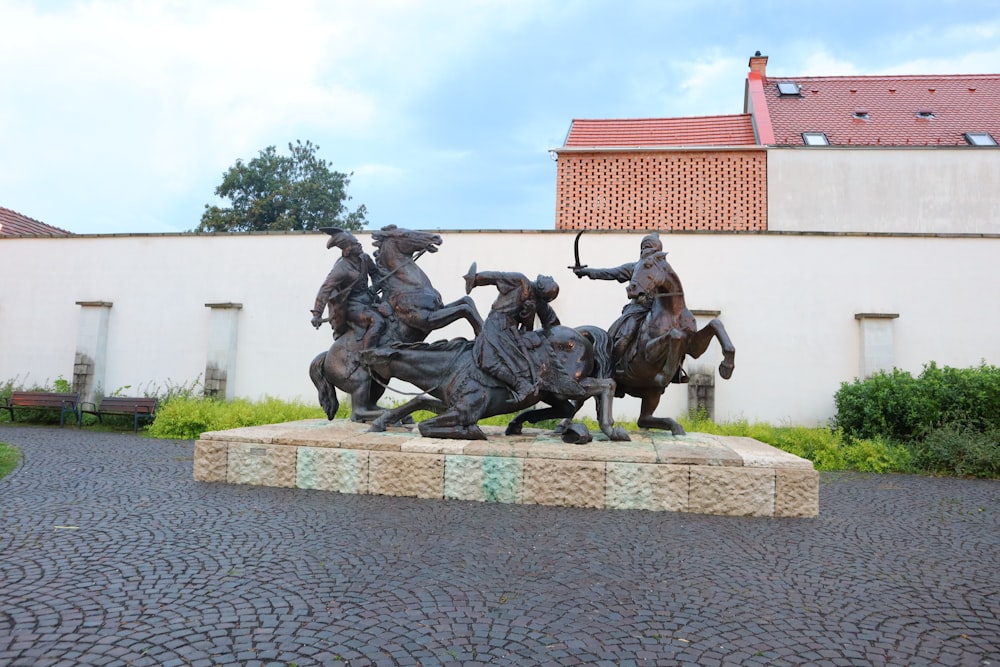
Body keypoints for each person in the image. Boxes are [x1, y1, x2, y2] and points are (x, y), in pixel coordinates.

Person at [464, 265, 560, 403]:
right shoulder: (535, 297)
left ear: (540, 286)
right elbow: (553, 324)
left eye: (548, 280)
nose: (548, 276)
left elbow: (496, 276)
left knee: (487, 361)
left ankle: (521, 385)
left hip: (497, 326)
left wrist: (476, 279)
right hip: (507, 329)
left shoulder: (521, 281)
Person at [573, 231, 664, 368]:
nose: (647, 251)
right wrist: (586, 272)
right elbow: (610, 272)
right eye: (645, 247)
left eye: (650, 247)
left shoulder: (663, 269)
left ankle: (676, 369)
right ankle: (611, 366)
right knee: (626, 334)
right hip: (638, 309)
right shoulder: (635, 267)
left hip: (659, 310)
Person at [311, 228, 387, 351]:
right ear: (348, 249)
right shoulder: (341, 269)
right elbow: (326, 289)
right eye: (355, 244)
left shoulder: (365, 258)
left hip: (369, 298)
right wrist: (317, 313)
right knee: (377, 321)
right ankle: (369, 354)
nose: (359, 244)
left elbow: (374, 273)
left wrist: (376, 286)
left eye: (357, 242)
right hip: (353, 306)